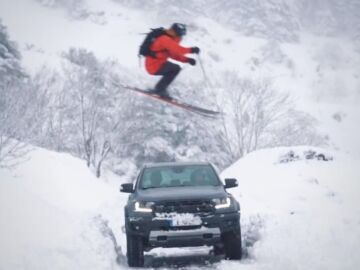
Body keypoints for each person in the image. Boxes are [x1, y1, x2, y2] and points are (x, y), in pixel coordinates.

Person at [144, 23, 200, 97]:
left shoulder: (167, 38)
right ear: (175, 32)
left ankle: (159, 89)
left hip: (156, 64)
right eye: (179, 34)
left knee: (175, 68)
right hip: (154, 65)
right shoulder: (165, 39)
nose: (180, 37)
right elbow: (179, 50)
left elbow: (173, 55)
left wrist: (187, 59)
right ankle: (159, 89)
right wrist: (192, 50)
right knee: (175, 69)